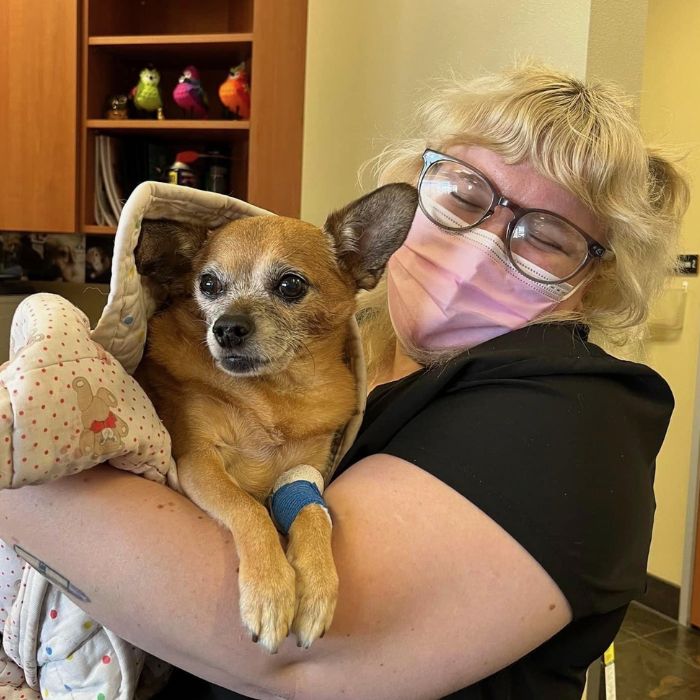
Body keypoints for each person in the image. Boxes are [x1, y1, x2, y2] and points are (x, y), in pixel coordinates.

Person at [0, 63, 689, 699]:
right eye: (466, 192)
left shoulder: (573, 416)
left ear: (597, 277)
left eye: (548, 235)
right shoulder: (357, 351)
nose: (482, 245)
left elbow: (295, 654)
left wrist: (17, 465)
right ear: (417, 191)